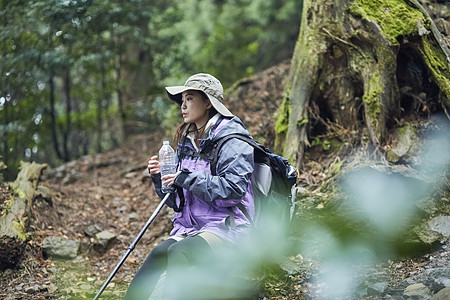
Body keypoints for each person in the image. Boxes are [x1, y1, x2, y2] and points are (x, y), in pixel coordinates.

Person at [124, 73, 255, 300]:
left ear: (207, 103)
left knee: (179, 252)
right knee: (158, 253)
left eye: (189, 99)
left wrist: (184, 177)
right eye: (182, 100)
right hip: (194, 229)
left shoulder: (232, 140)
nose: (182, 106)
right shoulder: (189, 141)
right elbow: (177, 203)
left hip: (228, 229)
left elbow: (233, 192)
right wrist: (161, 178)